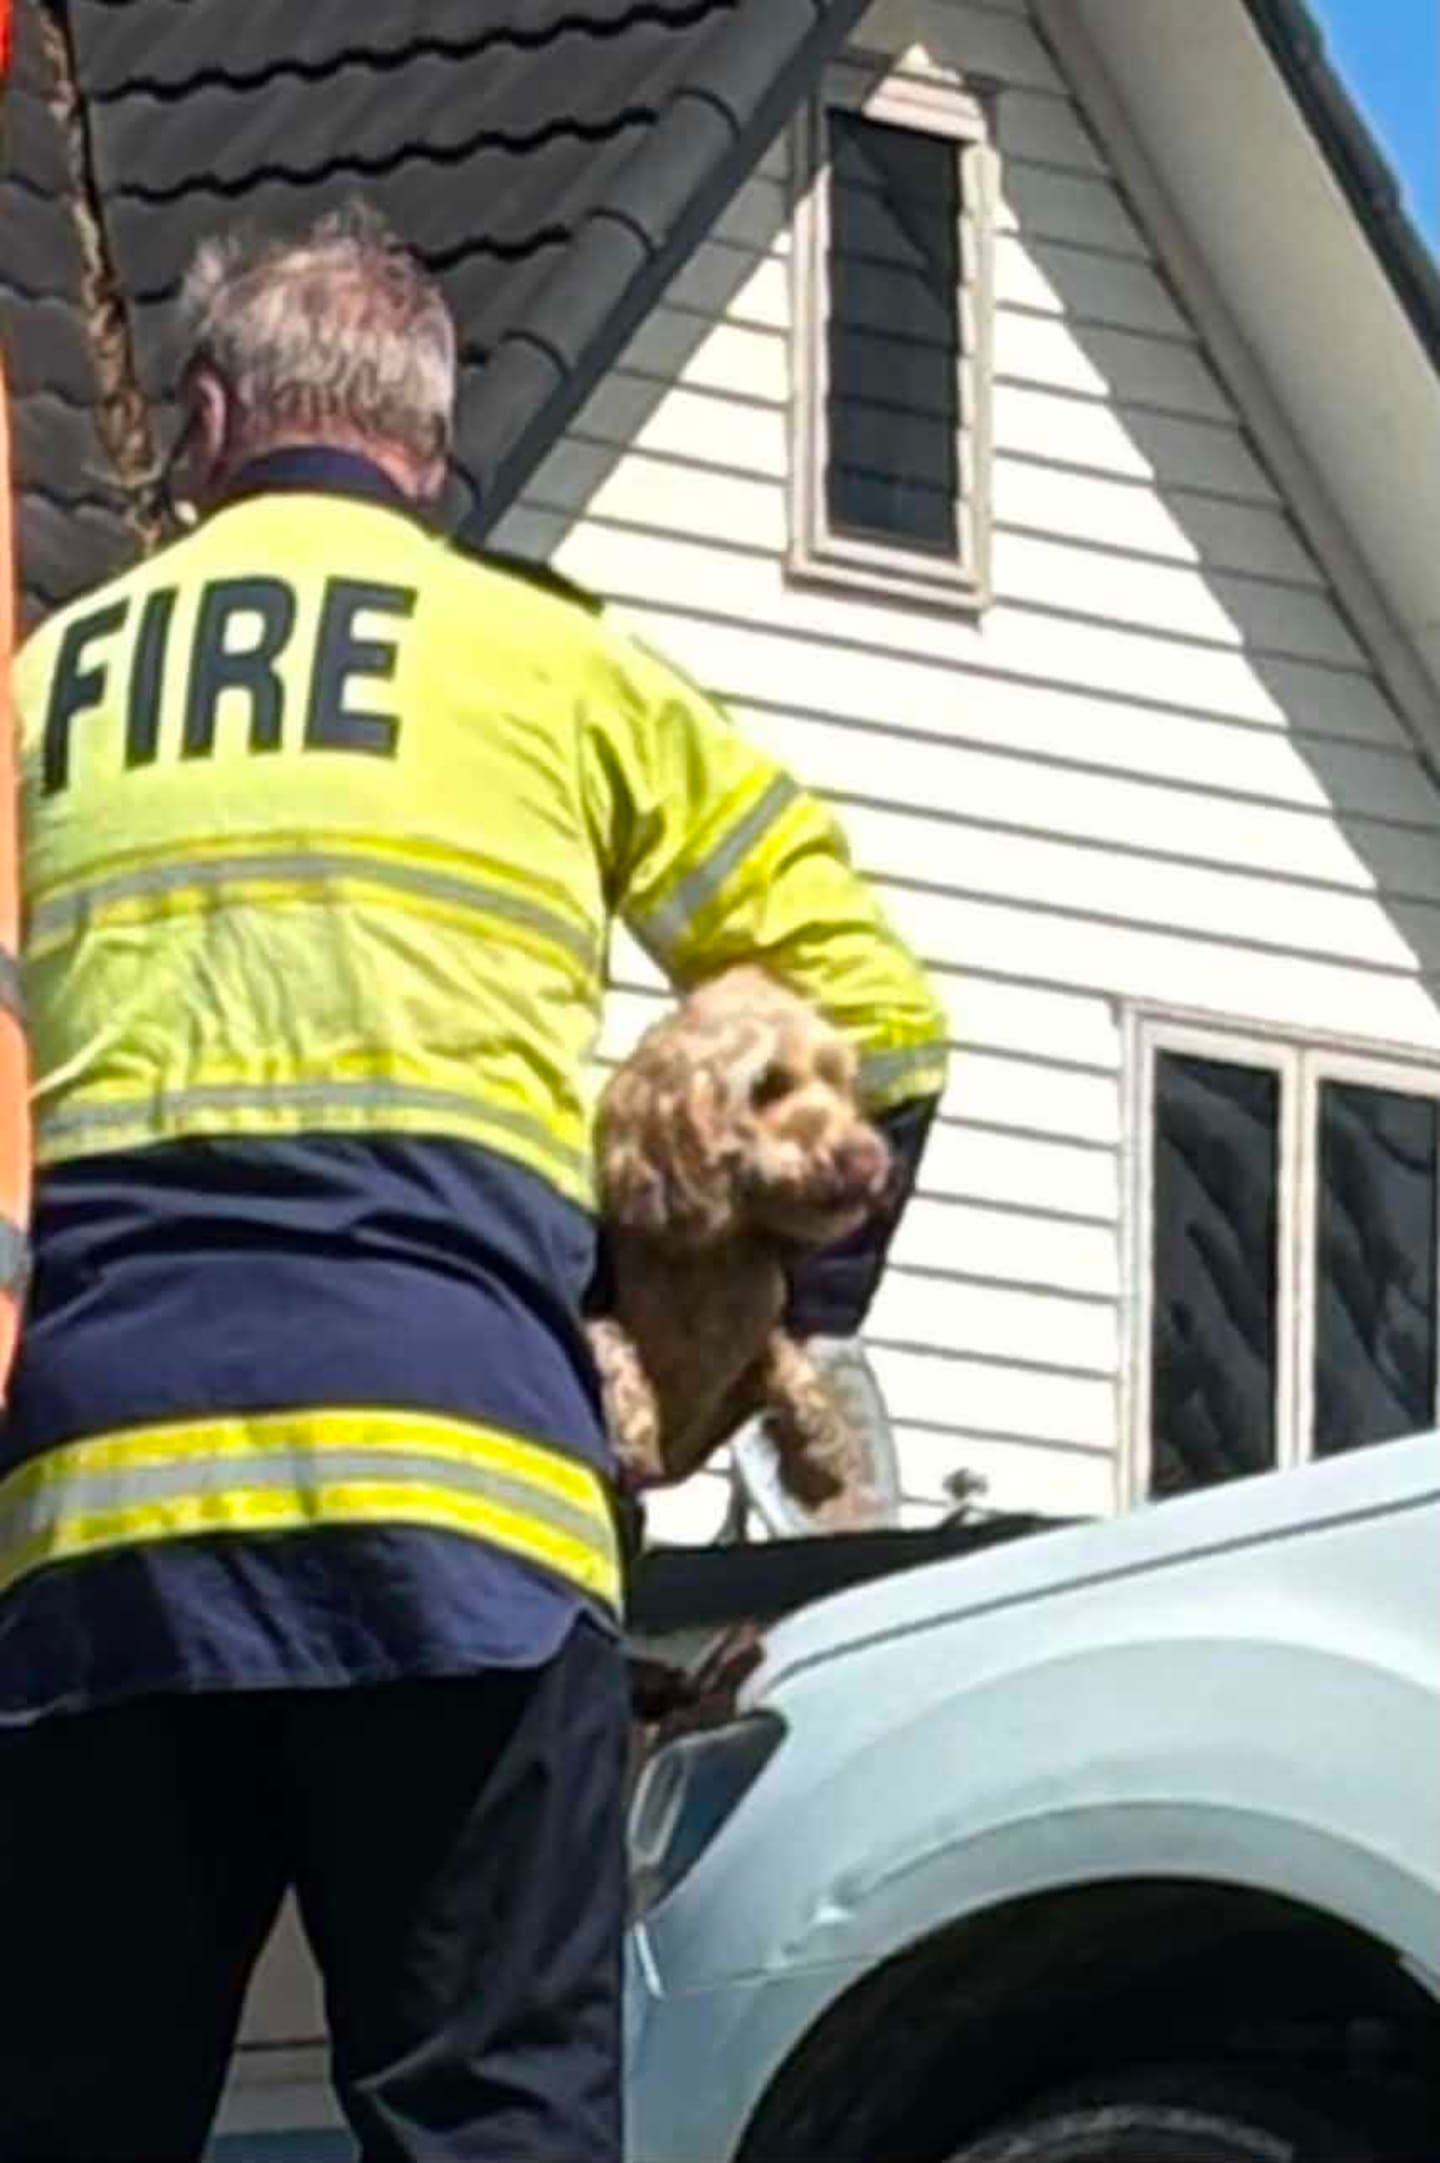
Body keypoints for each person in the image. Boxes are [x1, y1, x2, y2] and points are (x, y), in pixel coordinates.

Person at [0, 205, 948, 2163]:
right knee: (486, 2118)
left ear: (201, 419)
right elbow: (882, 1020)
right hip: (467, 1506)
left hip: (103, 1529)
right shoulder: (556, 666)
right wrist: (724, 1327)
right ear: (431, 447)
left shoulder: (48, 689)